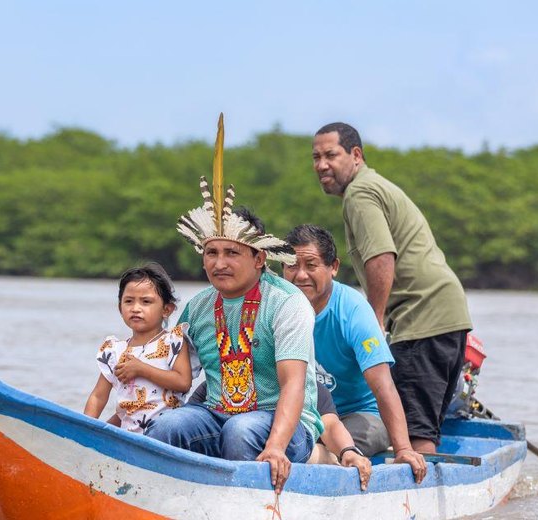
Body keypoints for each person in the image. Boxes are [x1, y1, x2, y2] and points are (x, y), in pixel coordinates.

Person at [146, 117, 323, 494]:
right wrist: (120, 418)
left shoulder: (287, 303)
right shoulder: (196, 308)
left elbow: (293, 384)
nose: (219, 263)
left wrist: (275, 446)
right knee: (164, 427)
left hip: (283, 424)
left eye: (231, 253)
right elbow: (173, 376)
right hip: (217, 414)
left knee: (242, 431)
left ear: (259, 259)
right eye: (211, 253)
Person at [311, 123, 473, 454]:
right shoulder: (371, 187)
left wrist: (375, 318)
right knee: (422, 422)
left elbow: (381, 255)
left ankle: (414, 500)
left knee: (414, 432)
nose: (321, 165)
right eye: (316, 157)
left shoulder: (360, 193)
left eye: (331, 155)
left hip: (422, 315)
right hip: (443, 313)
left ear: (356, 155)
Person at [283, 224, 426, 482]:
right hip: (303, 413)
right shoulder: (278, 306)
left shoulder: (353, 310)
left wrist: (404, 449)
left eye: (311, 265)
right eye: (291, 266)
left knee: (352, 436)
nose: (300, 275)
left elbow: (384, 385)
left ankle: (323, 458)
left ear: (333, 267)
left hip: (358, 415)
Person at [189, 380, 373, 490]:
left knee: (322, 455)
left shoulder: (308, 386)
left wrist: (348, 451)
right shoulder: (215, 384)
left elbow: (330, 425)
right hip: (219, 470)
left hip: (289, 463)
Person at [83, 263, 197, 434]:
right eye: (129, 301)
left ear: (166, 309)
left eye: (146, 302)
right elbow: (98, 396)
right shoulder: (114, 350)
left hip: (167, 434)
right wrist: (84, 429)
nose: (136, 308)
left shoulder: (173, 342)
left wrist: (141, 369)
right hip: (128, 435)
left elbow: (183, 382)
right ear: (120, 308)